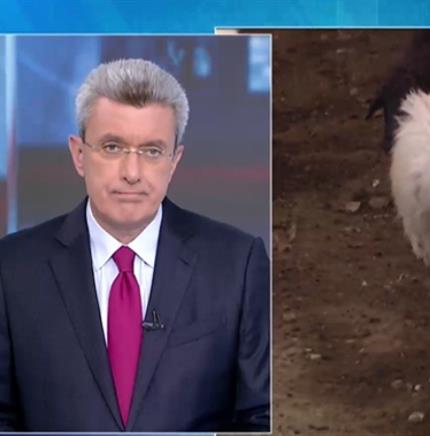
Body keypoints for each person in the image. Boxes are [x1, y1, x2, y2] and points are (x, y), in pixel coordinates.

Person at [0, 59, 270, 431]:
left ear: (174, 161)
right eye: (112, 147)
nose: (131, 173)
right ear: (79, 155)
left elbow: (262, 415)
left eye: (152, 151)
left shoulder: (238, 264)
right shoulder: (12, 268)